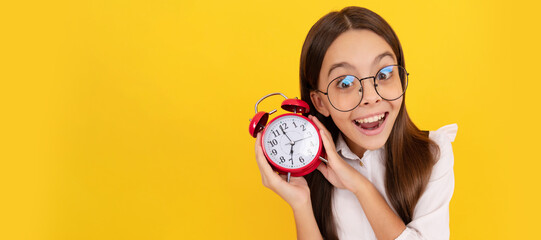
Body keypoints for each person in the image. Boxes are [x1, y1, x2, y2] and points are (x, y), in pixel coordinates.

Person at [254, 6, 457, 240]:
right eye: (345, 82)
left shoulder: (432, 154)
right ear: (320, 103)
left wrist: (360, 186)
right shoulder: (311, 168)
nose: (371, 97)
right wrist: (301, 204)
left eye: (384, 74)